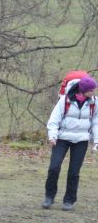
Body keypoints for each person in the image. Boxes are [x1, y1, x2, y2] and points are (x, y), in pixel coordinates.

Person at [42, 74, 98, 211]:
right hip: (61, 139)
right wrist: (52, 137)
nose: (94, 92)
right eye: (92, 90)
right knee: (54, 167)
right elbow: (54, 120)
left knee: (74, 172)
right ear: (83, 90)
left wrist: (96, 140)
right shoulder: (64, 100)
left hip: (81, 141)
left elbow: (96, 123)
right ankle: (49, 197)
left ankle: (69, 200)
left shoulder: (94, 102)